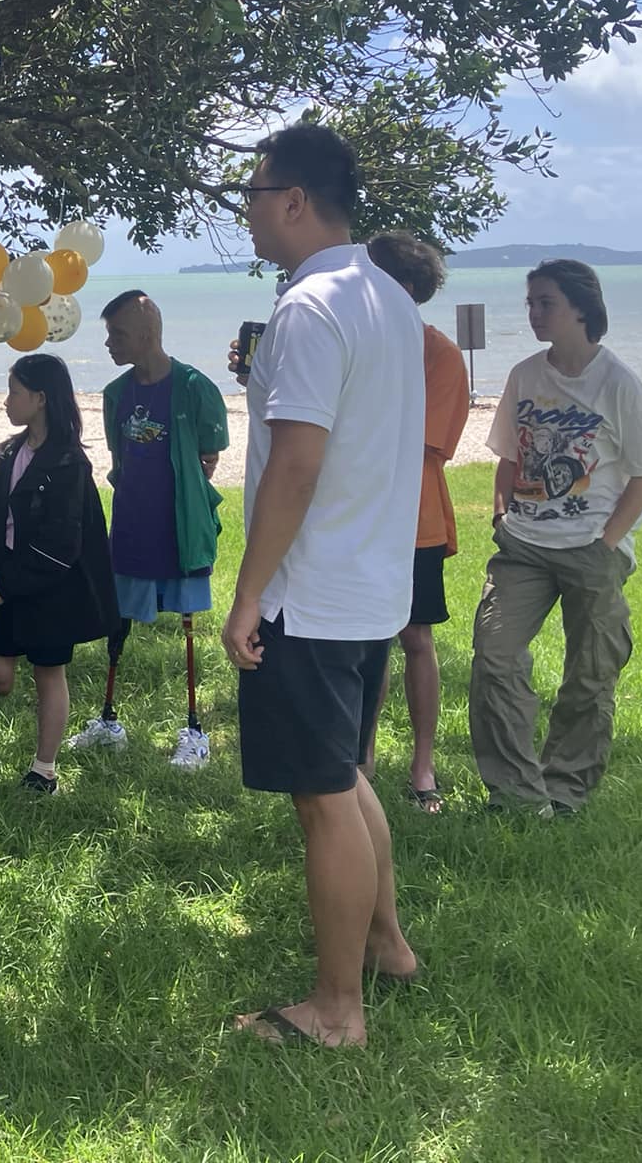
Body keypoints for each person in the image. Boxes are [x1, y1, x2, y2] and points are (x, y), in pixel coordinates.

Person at [221, 122, 423, 1049]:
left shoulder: (310, 308)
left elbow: (295, 465)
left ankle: (337, 1011)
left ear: (294, 200)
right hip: (370, 583)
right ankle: (386, 944)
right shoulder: (383, 295)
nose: (248, 212)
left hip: (312, 590)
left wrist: (249, 592)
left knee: (322, 796)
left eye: (255, 195)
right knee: (342, 769)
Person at [469, 260, 642, 816]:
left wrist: (608, 542)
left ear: (581, 307)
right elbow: (509, 453)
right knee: (495, 657)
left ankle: (566, 791)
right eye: (530, 302)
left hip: (591, 549)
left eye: (545, 302)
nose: (533, 313)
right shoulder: (525, 375)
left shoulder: (617, 383)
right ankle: (516, 797)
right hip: (524, 546)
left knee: (590, 675)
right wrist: (502, 513)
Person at [80, 289, 230, 766]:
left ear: (147, 334)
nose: (110, 344)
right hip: (129, 525)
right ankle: (107, 719)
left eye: (118, 334)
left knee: (187, 625)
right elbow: (119, 458)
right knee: (117, 619)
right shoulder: (115, 394)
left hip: (180, 529)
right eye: (108, 335)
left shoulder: (194, 387)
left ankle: (194, 730)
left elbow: (209, 457)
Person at [0, 355, 115, 795]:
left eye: (14, 391)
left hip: (51, 584)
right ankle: (42, 756)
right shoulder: (10, 452)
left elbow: (62, 545)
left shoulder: (69, 464)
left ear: (40, 398)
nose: (7, 399)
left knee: (49, 674)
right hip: (10, 579)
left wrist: (13, 583)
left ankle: (44, 769)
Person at [362, 232, 471, 814]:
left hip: (414, 520)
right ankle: (364, 755)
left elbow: (422, 443)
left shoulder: (440, 354)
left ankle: (423, 764)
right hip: (358, 518)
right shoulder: (358, 343)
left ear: (403, 289)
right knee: (366, 640)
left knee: (415, 639)